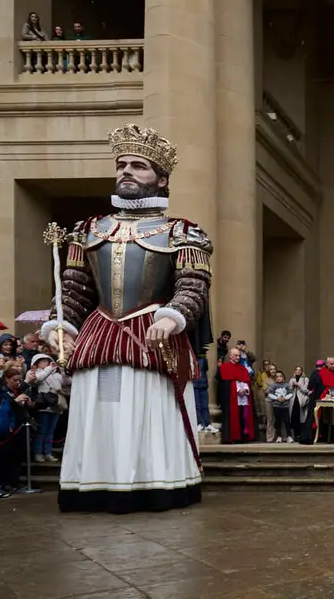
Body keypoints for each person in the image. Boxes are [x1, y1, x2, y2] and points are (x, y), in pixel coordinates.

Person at [41, 123, 213, 513]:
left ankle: (153, 484)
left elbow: (193, 285)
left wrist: (172, 318)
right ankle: (96, 484)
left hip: (153, 332)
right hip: (99, 333)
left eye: (139, 165)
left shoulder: (183, 232)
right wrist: (60, 325)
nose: (127, 171)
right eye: (122, 164)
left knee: (147, 411)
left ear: (162, 178)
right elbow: (73, 288)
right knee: (99, 411)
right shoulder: (87, 230)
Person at [216, 347, 256, 444]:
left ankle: (244, 437)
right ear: (230, 356)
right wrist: (235, 389)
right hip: (230, 398)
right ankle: (231, 437)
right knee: (231, 417)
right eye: (236, 355)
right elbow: (222, 384)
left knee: (244, 416)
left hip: (243, 397)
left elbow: (247, 381)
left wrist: (244, 390)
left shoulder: (243, 369)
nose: (238, 357)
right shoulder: (224, 367)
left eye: (239, 355)